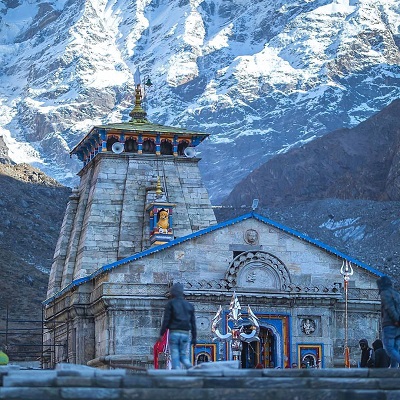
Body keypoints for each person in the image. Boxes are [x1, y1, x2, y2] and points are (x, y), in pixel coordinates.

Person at [159, 282, 197, 369]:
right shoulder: (189, 306)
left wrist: (162, 334)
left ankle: (176, 371)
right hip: (185, 333)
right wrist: (194, 338)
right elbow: (193, 323)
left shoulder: (171, 304)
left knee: (175, 353)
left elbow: (166, 320)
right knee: (183, 354)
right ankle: (189, 366)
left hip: (174, 333)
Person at [377, 275, 400, 368]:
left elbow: (389, 307)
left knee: (389, 348)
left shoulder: (385, 293)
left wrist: (396, 320)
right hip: (397, 325)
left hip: (390, 324)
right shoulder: (396, 293)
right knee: (396, 348)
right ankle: (394, 369)